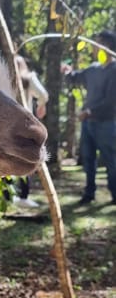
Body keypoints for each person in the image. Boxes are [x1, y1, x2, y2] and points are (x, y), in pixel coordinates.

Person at [62, 30, 116, 205]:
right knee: (88, 158)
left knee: (110, 160)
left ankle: (114, 194)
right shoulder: (93, 69)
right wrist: (67, 72)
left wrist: (89, 112)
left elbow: (110, 101)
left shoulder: (114, 70)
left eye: (98, 43)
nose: (94, 46)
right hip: (87, 124)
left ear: (108, 46)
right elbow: (74, 78)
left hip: (106, 124)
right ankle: (89, 193)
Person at [13, 54, 49, 208]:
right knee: (25, 159)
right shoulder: (29, 78)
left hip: (8, 126)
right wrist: (41, 105)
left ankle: (13, 196)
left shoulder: (11, 79)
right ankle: (22, 196)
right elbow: (43, 94)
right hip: (24, 126)